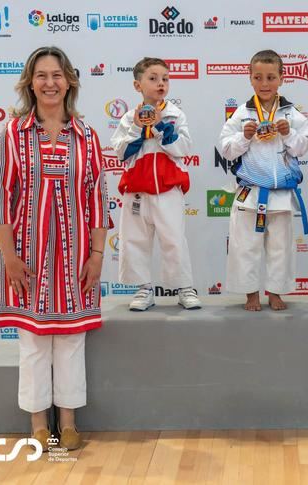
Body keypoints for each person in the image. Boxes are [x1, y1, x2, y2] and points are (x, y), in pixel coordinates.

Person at [0, 46, 110, 451]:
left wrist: (96, 255)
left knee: (72, 337)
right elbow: (1, 200)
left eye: (57, 75)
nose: (49, 83)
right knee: (35, 341)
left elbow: (96, 198)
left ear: (70, 81)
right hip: (27, 254)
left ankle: (70, 420)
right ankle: (39, 422)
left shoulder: (87, 136)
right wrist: (9, 257)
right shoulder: (12, 133)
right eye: (41, 75)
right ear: (30, 83)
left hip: (76, 255)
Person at [218, 49, 308, 311]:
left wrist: (289, 133)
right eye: (258, 77)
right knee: (244, 247)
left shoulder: (291, 113)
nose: (264, 84)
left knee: (280, 248)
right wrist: (244, 137)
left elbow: (304, 146)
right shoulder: (241, 113)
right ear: (250, 78)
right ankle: (250, 294)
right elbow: (226, 149)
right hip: (250, 192)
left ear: (282, 78)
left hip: (281, 193)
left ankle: (275, 292)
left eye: (271, 77)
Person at [111, 57, 201, 312]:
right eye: (153, 78)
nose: (160, 83)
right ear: (137, 85)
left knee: (174, 239)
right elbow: (121, 152)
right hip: (136, 190)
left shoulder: (174, 114)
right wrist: (138, 128)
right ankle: (143, 288)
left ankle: (184, 287)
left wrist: (160, 125)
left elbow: (183, 147)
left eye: (165, 78)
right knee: (134, 239)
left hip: (168, 188)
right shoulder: (130, 117)